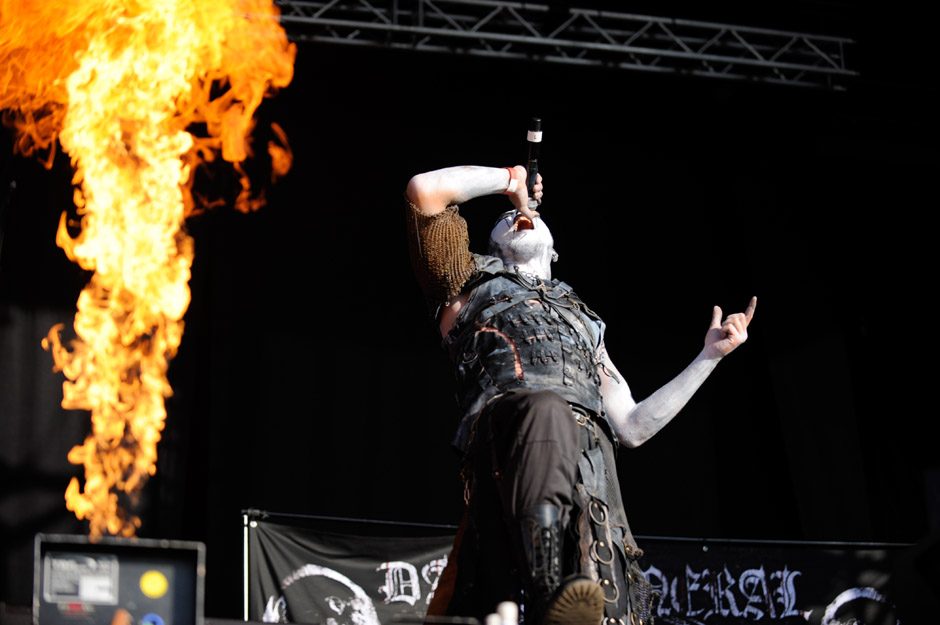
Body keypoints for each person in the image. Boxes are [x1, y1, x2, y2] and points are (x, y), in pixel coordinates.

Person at [405, 164, 756, 625]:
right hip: (507, 451)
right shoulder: (465, 285)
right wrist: (511, 181)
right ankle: (549, 590)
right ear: (492, 249)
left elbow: (631, 426)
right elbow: (426, 191)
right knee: (546, 410)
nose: (516, 217)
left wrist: (709, 358)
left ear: (554, 249)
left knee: (605, 607)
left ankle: (562, 595)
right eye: (504, 220)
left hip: (590, 483)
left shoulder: (585, 324)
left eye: (527, 216)